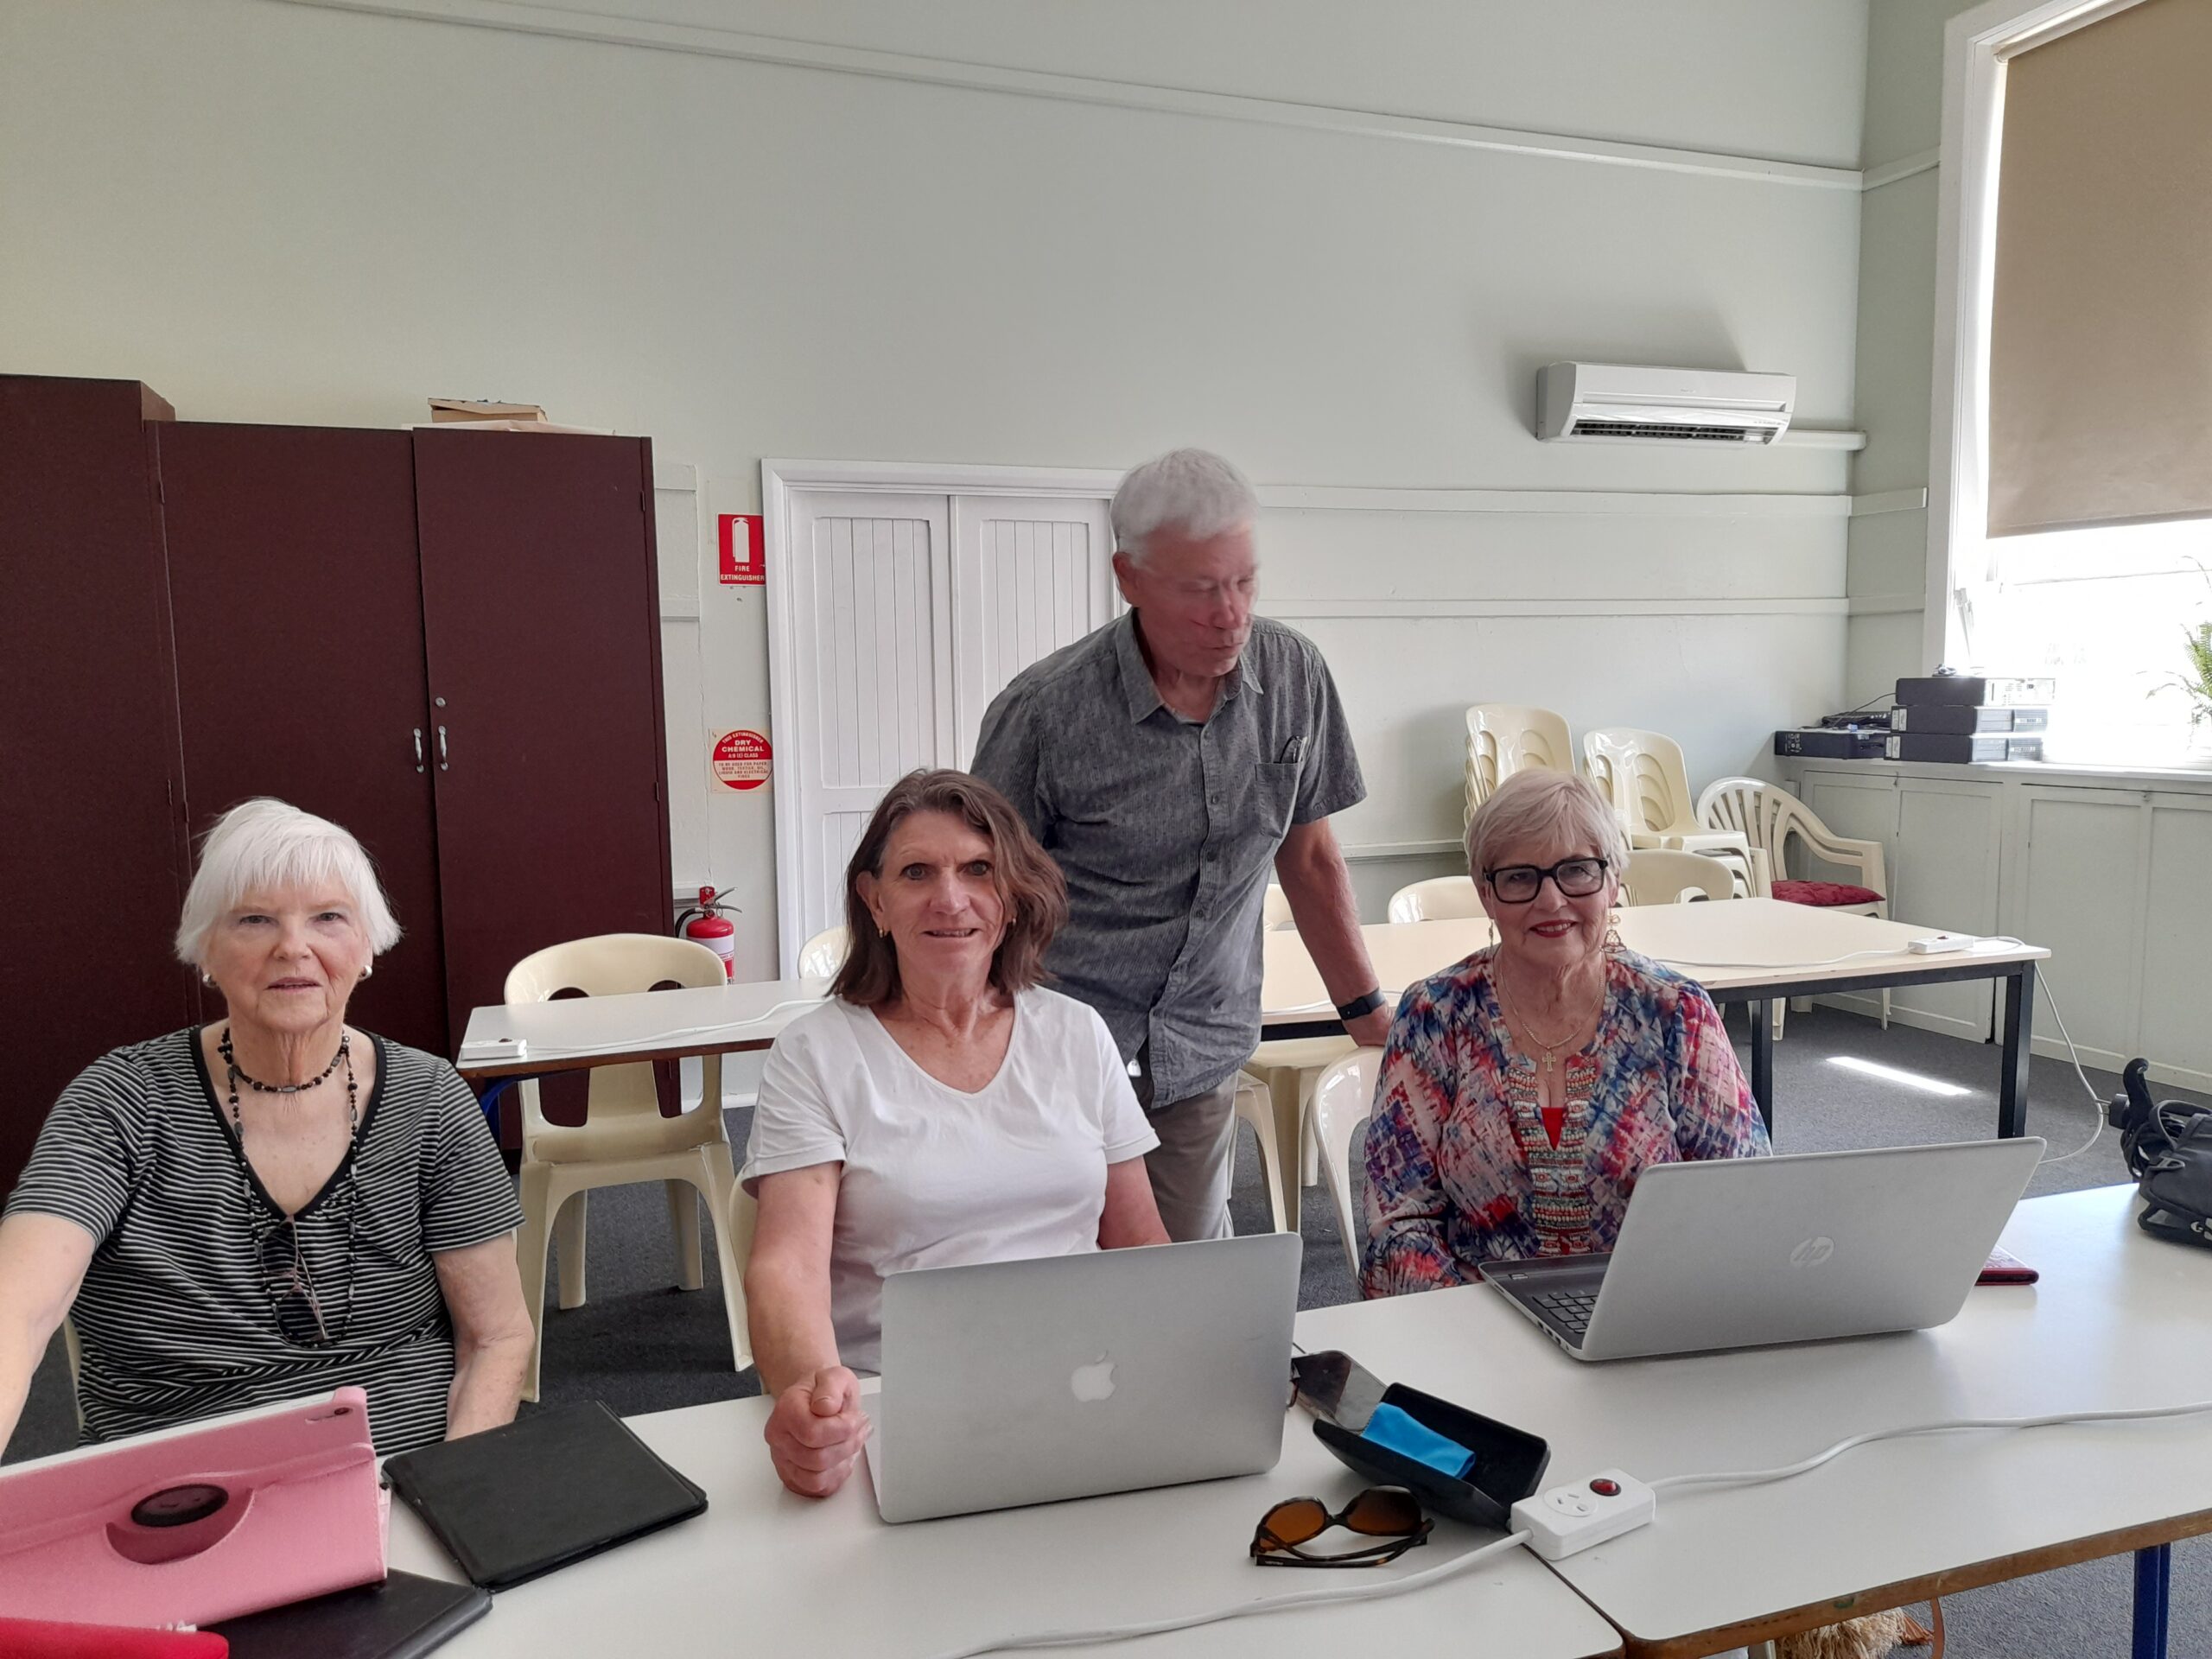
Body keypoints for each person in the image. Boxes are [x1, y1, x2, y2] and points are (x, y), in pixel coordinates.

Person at [0, 798, 533, 1456]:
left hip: (403, 1479)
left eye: (328, 918)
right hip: (185, 1497)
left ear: (366, 945)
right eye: (255, 919)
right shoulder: (120, 1102)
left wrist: (460, 1498)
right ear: (206, 951)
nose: (293, 947)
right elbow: (18, 1310)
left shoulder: (428, 1101)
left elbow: (496, 1337)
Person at [971, 448, 1390, 1243]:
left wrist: (1368, 1016)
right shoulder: (1045, 713)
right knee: (1057, 1272)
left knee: (1184, 1279)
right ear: (1128, 578)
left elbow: (1309, 860)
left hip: (1198, 1045)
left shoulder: (1294, 675)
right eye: (1200, 588)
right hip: (1054, 1050)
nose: (1229, 613)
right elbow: (980, 902)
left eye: (1244, 582)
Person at [741, 769, 1170, 1498]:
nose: (950, 898)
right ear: (874, 901)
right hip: (899, 1401)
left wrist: (1194, 1361)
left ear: (1010, 899)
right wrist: (820, 1407)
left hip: (1083, 1385)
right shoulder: (816, 1054)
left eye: (979, 870)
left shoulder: (1076, 1033)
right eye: (916, 873)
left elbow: (1139, 1244)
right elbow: (787, 1269)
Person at [1360, 769, 1769, 1295]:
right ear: (1487, 895)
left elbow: (1745, 1194)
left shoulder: (1675, 1012)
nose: (1551, 901)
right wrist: (1464, 1328)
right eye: (1519, 877)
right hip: (1473, 1318)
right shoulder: (1436, 1015)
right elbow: (1400, 1218)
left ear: (1614, 882)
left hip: (1646, 1311)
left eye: (1577, 870)